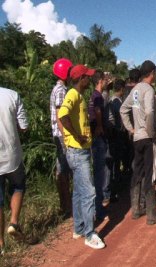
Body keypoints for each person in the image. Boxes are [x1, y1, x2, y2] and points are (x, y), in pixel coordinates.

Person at [58, 64, 105, 249]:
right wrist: (76, 136)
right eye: (87, 76)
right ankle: (89, 233)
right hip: (78, 151)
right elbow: (63, 115)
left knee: (78, 190)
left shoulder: (79, 96)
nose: (89, 79)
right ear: (80, 79)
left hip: (78, 151)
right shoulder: (73, 94)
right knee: (89, 192)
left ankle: (78, 227)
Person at [120, 60, 156, 225]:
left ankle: (135, 210)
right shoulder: (148, 89)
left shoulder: (134, 90)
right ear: (152, 73)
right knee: (149, 174)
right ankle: (152, 214)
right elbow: (149, 111)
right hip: (147, 138)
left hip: (136, 137)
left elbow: (123, 110)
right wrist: (150, 132)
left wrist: (130, 128)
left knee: (137, 172)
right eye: (155, 72)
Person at [0, 87, 28, 254]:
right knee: (18, 186)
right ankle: (14, 222)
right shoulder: (12, 95)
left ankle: (1, 244)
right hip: (12, 155)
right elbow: (24, 126)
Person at [50, 58, 73, 217]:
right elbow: (60, 116)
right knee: (64, 170)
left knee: (63, 170)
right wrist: (66, 137)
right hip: (62, 135)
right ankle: (66, 206)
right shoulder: (61, 91)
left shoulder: (60, 89)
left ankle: (66, 206)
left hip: (60, 135)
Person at [89, 70, 110, 220]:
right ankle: (98, 207)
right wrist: (101, 127)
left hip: (95, 137)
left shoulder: (93, 95)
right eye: (104, 80)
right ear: (100, 81)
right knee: (99, 172)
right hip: (98, 138)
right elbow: (97, 111)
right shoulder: (97, 96)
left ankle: (98, 206)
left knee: (98, 171)